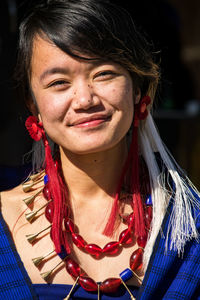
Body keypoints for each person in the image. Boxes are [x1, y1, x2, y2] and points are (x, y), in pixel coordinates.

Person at [0, 0, 200, 299]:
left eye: (104, 74)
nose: (84, 99)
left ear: (137, 88)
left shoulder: (189, 227)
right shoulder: (4, 219)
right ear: (33, 104)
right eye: (59, 82)